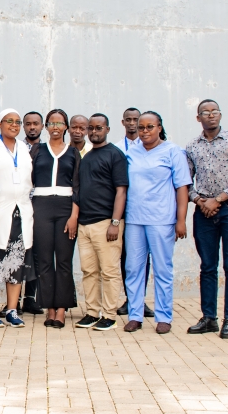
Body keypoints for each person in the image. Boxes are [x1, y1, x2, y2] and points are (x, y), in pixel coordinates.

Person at [123, 111, 192, 334]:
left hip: (162, 219)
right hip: (134, 219)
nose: (144, 131)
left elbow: (182, 187)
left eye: (149, 127)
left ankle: (164, 316)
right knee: (133, 268)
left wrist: (180, 220)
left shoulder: (173, 151)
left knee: (162, 269)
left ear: (159, 127)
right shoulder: (132, 152)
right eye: (141, 128)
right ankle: (135, 315)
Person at [185, 99, 228, 340]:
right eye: (205, 113)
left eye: (215, 112)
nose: (211, 115)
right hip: (203, 211)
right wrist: (201, 201)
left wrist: (219, 199)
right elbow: (186, 182)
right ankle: (209, 317)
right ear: (198, 118)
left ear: (220, 115)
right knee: (207, 266)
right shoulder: (192, 146)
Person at [73, 114, 128, 332]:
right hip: (85, 225)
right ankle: (92, 312)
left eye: (99, 128)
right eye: (91, 128)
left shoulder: (115, 155)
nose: (94, 132)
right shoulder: (86, 158)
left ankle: (110, 315)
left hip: (106, 223)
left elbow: (121, 191)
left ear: (107, 129)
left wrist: (115, 222)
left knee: (109, 271)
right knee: (89, 271)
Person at [0, 109, 33, 328]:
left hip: (21, 212)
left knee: (16, 262)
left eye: (17, 122)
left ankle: (11, 310)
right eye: (9, 121)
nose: (14, 125)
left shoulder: (24, 148)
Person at [30, 109, 80, 329]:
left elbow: (78, 186)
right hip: (40, 207)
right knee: (44, 261)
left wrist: (74, 216)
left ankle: (61, 309)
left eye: (60, 123)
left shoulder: (73, 152)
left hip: (65, 208)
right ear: (46, 127)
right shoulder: (37, 150)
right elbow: (27, 179)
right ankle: (48, 307)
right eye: (51, 123)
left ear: (66, 127)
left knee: (63, 261)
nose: (56, 127)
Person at [114, 107, 152, 318]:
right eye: (128, 120)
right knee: (126, 257)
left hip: (143, 208)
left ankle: (139, 300)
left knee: (143, 258)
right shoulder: (117, 148)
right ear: (123, 122)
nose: (132, 123)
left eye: (135, 120)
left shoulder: (148, 146)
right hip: (123, 209)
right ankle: (130, 298)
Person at [19, 110, 45, 316]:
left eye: (35, 123)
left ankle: (30, 297)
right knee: (17, 251)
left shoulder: (45, 149)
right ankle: (14, 300)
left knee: (35, 253)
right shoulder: (16, 148)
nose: (32, 127)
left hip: (40, 206)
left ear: (42, 126)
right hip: (18, 205)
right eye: (28, 124)